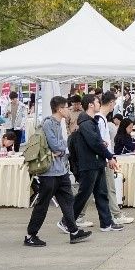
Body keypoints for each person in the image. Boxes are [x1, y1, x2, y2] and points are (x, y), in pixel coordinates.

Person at [24, 96, 91, 247]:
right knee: (42, 204)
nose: (69, 110)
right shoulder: (48, 123)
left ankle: (73, 231)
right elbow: (56, 145)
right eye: (66, 107)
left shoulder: (58, 123)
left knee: (68, 201)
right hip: (49, 172)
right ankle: (30, 235)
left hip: (60, 171)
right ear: (60, 109)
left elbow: (60, 147)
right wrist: (61, 148)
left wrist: (61, 148)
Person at [70, 93, 120, 233]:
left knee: (101, 193)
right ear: (91, 105)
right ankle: (67, 220)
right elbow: (95, 143)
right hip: (89, 164)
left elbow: (96, 141)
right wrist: (109, 156)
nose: (99, 104)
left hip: (97, 162)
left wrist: (104, 148)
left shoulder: (91, 121)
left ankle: (106, 223)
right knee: (84, 194)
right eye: (97, 102)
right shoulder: (86, 123)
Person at [95, 92, 133, 225]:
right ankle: (116, 214)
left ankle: (78, 216)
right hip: (104, 159)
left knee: (91, 190)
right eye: (114, 103)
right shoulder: (100, 120)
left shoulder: (101, 119)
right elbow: (100, 142)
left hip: (104, 158)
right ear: (111, 103)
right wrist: (109, 157)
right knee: (109, 188)